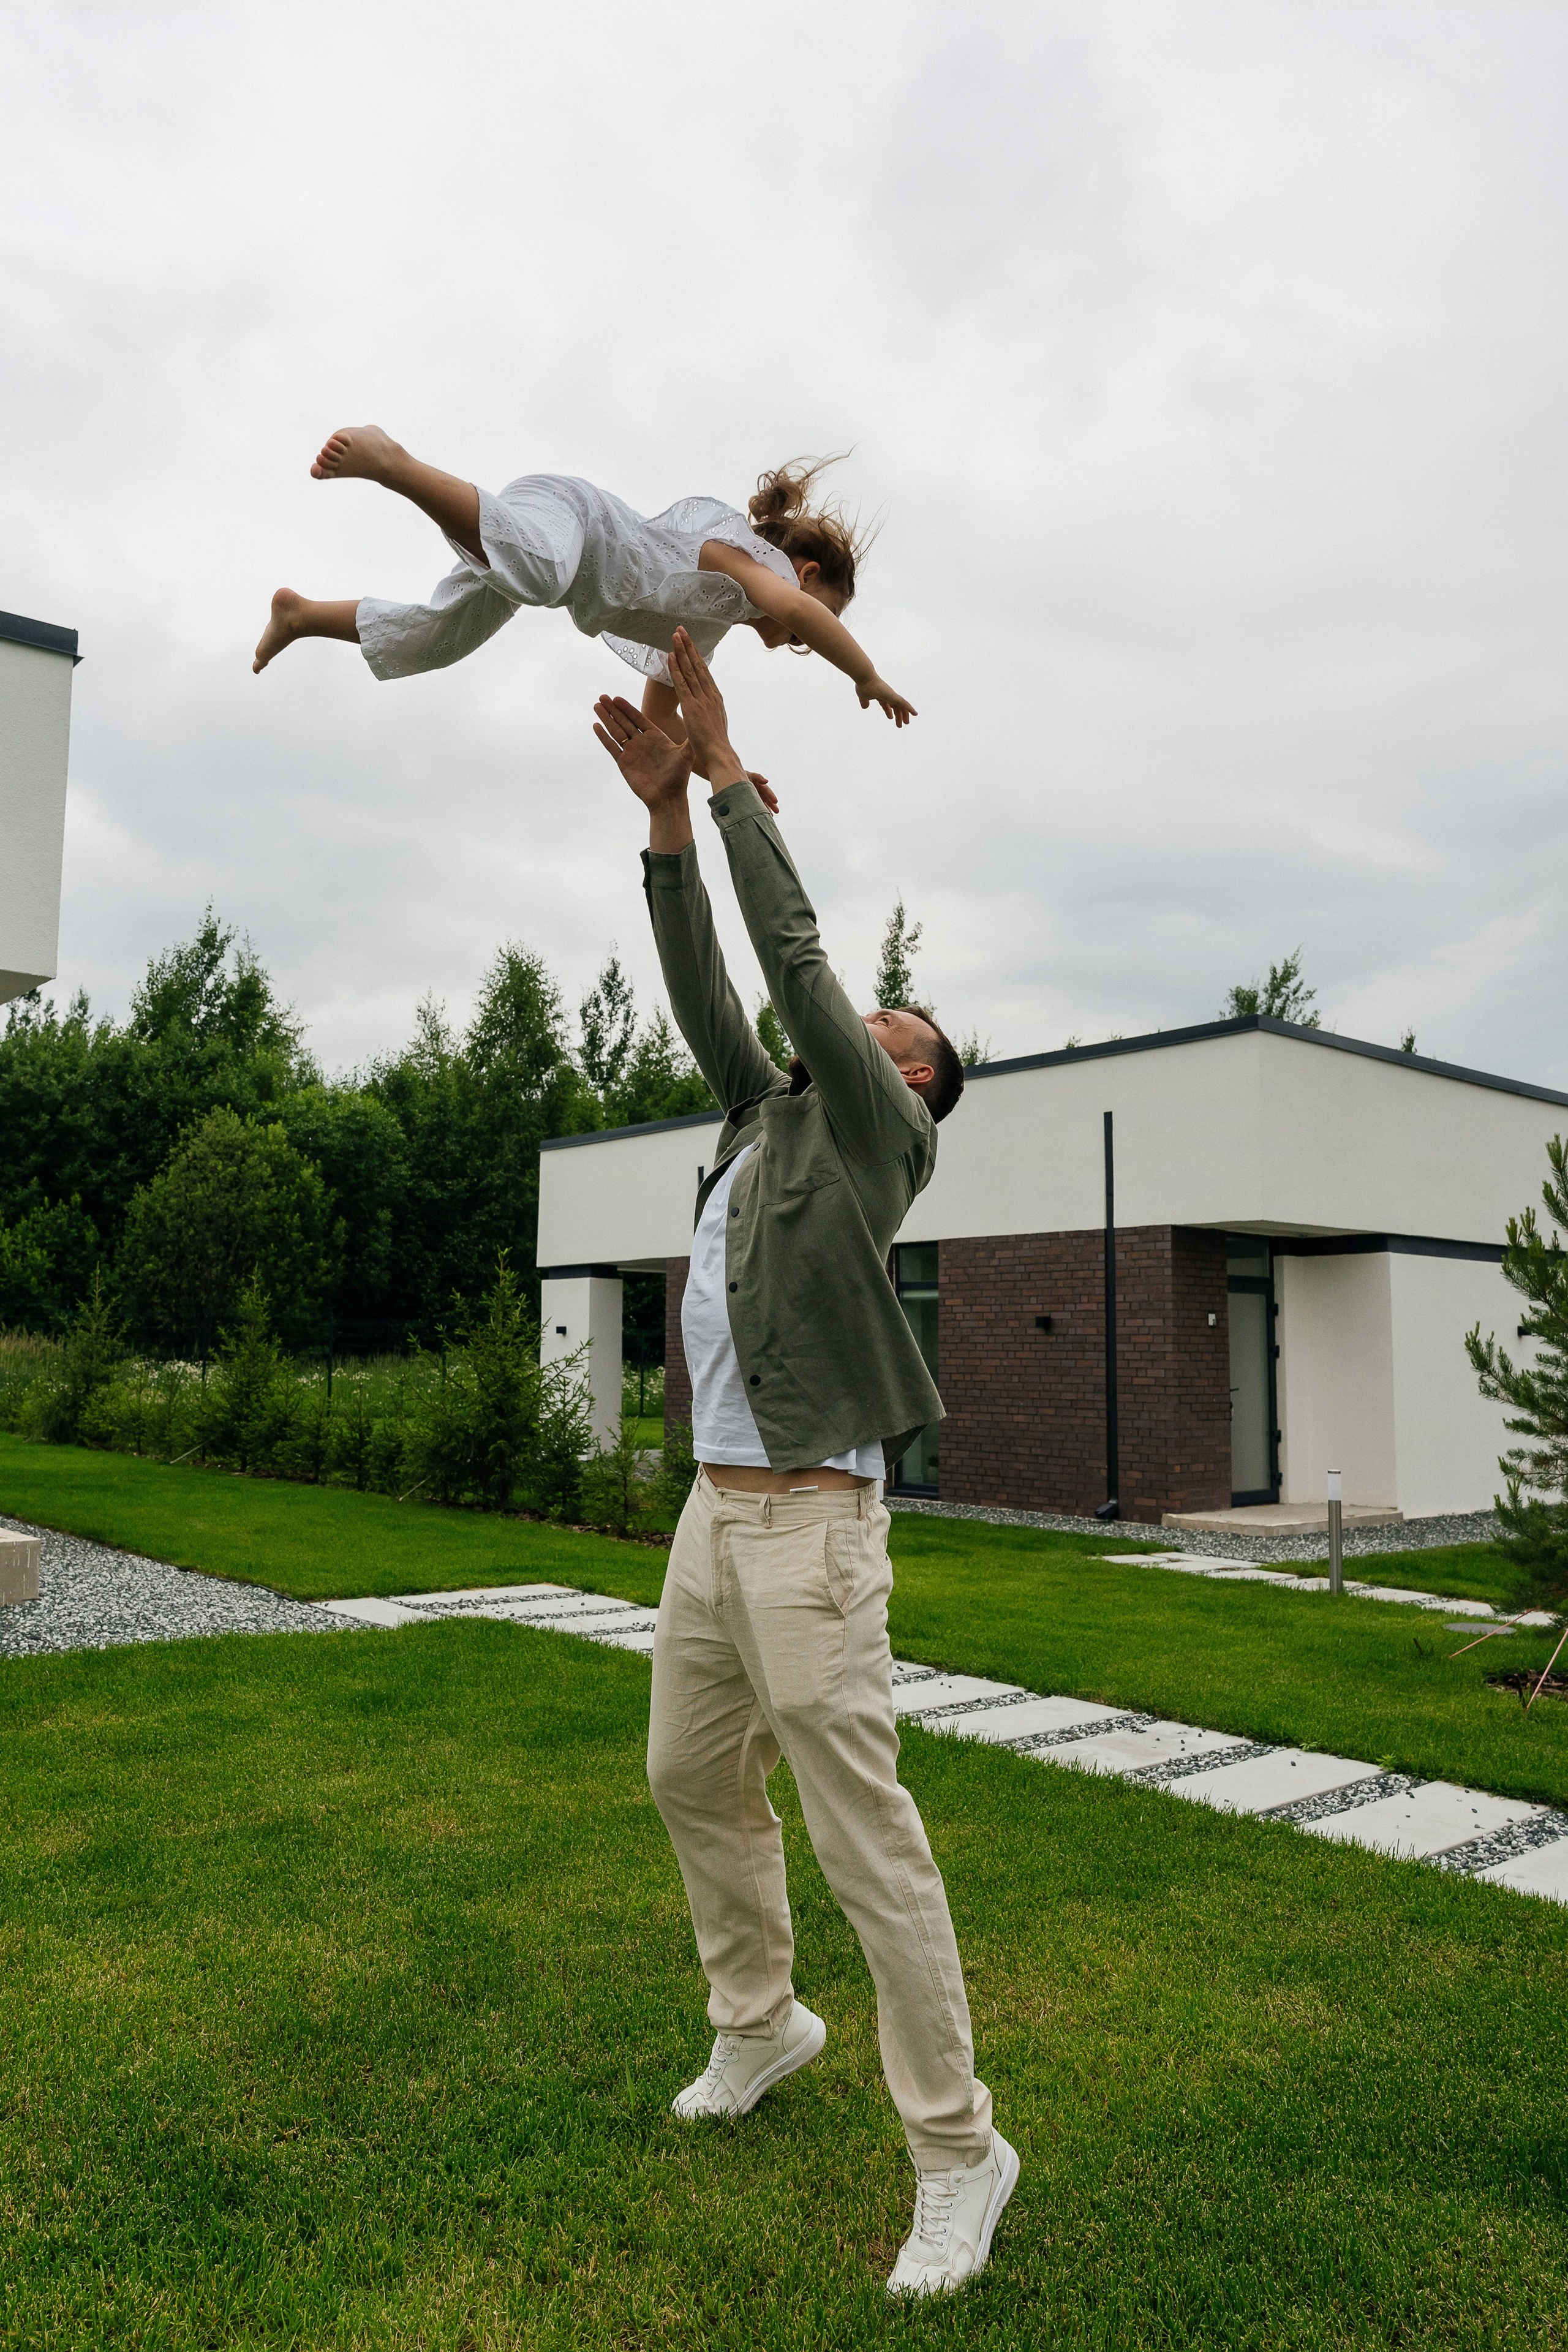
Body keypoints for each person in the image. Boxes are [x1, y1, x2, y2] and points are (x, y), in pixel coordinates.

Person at [590, 628, 1018, 2300]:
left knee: (864, 1841)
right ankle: (759, 2022)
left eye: (882, 1019)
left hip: (813, 1529)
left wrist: (731, 777)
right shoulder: (764, 1115)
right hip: (715, 1513)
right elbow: (713, 989)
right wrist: (665, 824)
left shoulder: (880, 1132)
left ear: (909, 1074)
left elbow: (790, 962)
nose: (857, 1020)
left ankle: (959, 2151)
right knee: (688, 1774)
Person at [252, 430, 916, 739]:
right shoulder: (743, 563)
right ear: (803, 575)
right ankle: (393, 463)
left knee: (439, 639)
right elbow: (794, 608)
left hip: (540, 551)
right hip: (570, 517)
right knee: (542, 576)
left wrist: (724, 769)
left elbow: (664, 722)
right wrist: (864, 675)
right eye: (815, 625)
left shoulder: (703, 630)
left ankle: (301, 615)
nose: (797, 639)